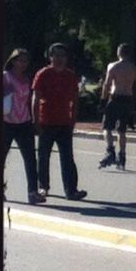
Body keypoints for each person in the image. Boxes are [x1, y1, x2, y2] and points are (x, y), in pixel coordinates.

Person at [31, 43, 87, 201]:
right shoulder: (43, 74)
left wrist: (73, 120)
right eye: (56, 55)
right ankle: (43, 187)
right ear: (50, 57)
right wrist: (35, 121)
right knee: (43, 156)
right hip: (46, 122)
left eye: (62, 55)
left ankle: (71, 190)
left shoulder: (70, 76)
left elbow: (75, 100)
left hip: (64, 123)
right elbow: (35, 98)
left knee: (67, 157)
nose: (59, 59)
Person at [3, 48, 45, 204]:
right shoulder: (5, 77)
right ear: (13, 61)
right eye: (20, 60)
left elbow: (29, 100)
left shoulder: (27, 79)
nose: (23, 64)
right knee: (0, 159)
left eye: (26, 61)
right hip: (6, 122)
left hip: (24, 122)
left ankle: (32, 193)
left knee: (30, 159)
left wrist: (35, 120)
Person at [98, 43, 136, 170]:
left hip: (116, 98)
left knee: (107, 127)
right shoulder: (134, 69)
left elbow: (107, 84)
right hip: (128, 99)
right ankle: (122, 155)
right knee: (122, 130)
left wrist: (103, 100)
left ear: (118, 52)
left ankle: (110, 151)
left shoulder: (113, 66)